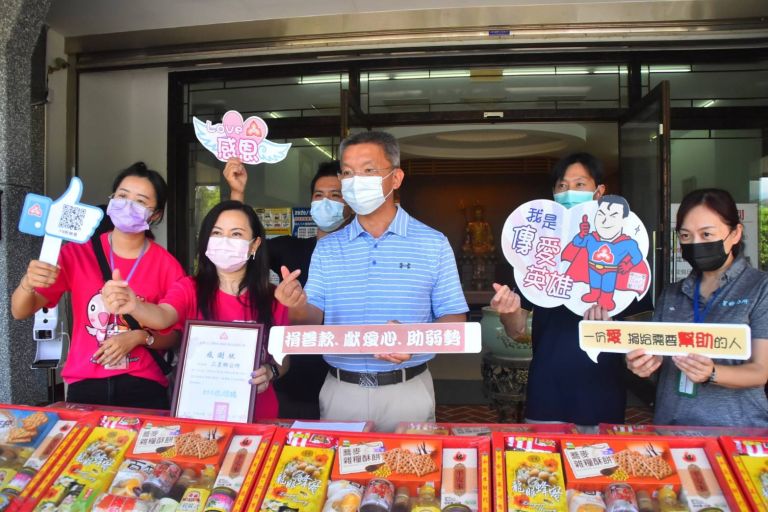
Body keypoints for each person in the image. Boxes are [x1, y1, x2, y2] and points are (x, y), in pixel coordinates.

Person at [275, 130, 469, 432]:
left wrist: (413, 341)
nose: (356, 181)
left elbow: (454, 319)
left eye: (368, 171)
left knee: (410, 463)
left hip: (407, 390)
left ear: (396, 178)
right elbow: (311, 318)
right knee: (341, 464)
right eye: (348, 173)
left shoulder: (432, 243)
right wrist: (295, 305)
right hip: (342, 391)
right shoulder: (328, 247)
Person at [11, 162, 184, 409]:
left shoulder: (166, 265)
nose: (128, 205)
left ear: (155, 214)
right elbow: (20, 311)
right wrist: (27, 283)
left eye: (140, 201)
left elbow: (175, 336)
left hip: (143, 385)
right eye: (122, 196)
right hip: (85, 383)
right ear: (111, 200)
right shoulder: (77, 254)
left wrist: (139, 337)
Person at [100, 200, 289, 420]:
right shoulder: (189, 288)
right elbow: (163, 316)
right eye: (217, 233)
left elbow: (283, 361)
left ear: (254, 244)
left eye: (236, 234)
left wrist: (270, 372)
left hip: (259, 415)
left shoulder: (273, 298)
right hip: (197, 413)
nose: (225, 241)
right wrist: (134, 306)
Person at [490, 152, 628, 431]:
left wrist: (609, 329)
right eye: (562, 186)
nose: (569, 193)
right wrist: (509, 311)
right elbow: (516, 330)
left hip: (603, 390)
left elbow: (640, 332)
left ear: (599, 192)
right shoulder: (537, 250)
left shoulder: (624, 245)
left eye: (580, 185)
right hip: (548, 390)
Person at [627, 188, 768, 426]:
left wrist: (712, 373)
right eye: (685, 236)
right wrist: (643, 364)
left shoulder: (760, 288)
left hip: (735, 429)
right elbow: (657, 353)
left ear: (735, 233)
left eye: (706, 234)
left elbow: (761, 370)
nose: (695, 243)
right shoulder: (672, 293)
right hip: (671, 427)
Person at [225, 158, 352, 419]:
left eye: (335, 195)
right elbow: (240, 252)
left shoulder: (364, 255)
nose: (326, 201)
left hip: (345, 380)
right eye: (319, 195)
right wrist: (237, 193)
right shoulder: (290, 248)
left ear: (350, 203)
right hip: (289, 380)